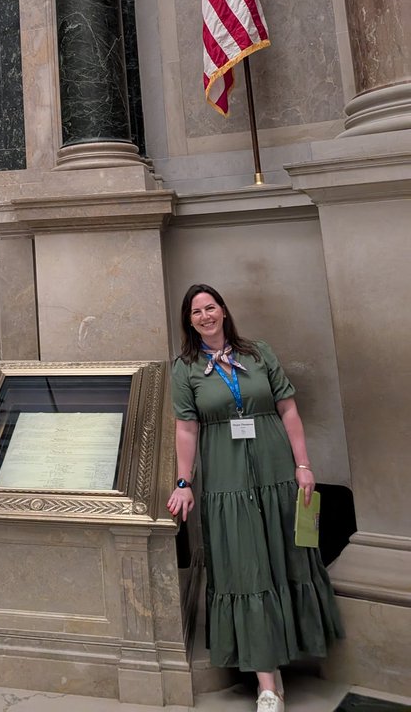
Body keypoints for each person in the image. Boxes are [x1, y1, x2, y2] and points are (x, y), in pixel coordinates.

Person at [167, 283, 343, 712]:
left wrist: (303, 466)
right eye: (196, 312)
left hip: (276, 470)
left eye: (211, 307)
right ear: (189, 322)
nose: (205, 316)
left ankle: (295, 650)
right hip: (227, 479)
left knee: (287, 555)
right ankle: (268, 682)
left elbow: (288, 409)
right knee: (246, 569)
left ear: (224, 311)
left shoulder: (258, 353)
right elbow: (186, 429)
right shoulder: (185, 368)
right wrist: (183, 482)